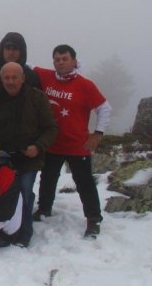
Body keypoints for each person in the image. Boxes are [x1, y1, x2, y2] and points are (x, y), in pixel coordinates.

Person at [33, 45, 113, 238]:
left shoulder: (85, 85)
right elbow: (24, 65)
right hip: (52, 143)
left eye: (65, 58)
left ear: (74, 61)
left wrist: (97, 134)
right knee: (48, 178)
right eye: (57, 59)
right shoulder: (46, 76)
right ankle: (44, 209)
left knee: (84, 183)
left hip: (78, 145)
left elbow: (105, 108)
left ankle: (94, 219)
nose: (60, 62)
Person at [0, 62, 57, 247]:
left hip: (29, 157)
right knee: (0, 192)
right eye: (7, 77)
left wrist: (38, 147)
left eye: (15, 77)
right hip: (3, 156)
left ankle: (24, 234)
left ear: (23, 78)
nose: (11, 81)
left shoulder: (36, 98)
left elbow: (51, 128)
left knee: (23, 190)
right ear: (1, 79)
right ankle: (0, 228)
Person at [0, 32, 41, 117]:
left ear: (21, 51)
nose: (11, 52)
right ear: (2, 50)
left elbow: (40, 109)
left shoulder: (31, 77)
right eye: (7, 48)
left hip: (24, 127)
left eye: (15, 49)